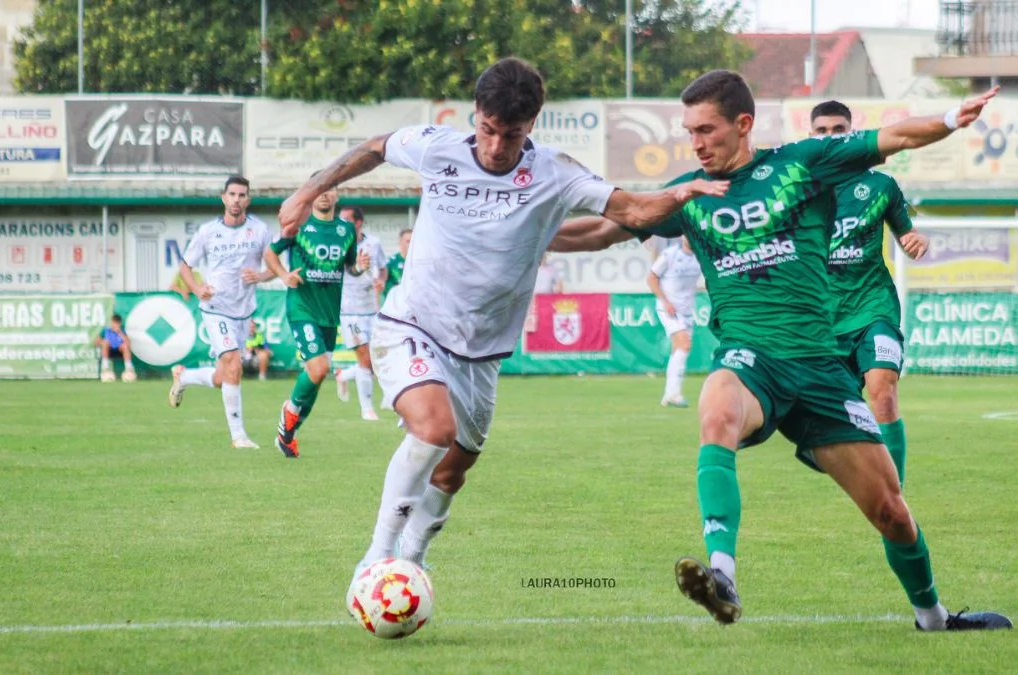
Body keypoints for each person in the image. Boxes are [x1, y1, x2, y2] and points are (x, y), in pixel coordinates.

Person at [551, 70, 1010, 631]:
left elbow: (896, 137)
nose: (695, 143)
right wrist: (511, 228)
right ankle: (722, 575)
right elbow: (601, 230)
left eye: (706, 129)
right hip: (751, 361)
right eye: (688, 131)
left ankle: (933, 617)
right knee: (716, 409)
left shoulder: (801, 164)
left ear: (743, 125)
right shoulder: (691, 194)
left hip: (819, 369)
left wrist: (947, 119)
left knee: (892, 513)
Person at [273, 57, 727, 610]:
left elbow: (629, 209)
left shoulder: (555, 172)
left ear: (531, 125)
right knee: (432, 428)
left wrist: (680, 195)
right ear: (476, 116)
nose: (495, 146)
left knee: (454, 471)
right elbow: (374, 147)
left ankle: (412, 561)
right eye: (487, 130)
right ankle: (376, 558)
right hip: (412, 323)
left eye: (509, 135)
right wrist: (305, 192)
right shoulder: (437, 146)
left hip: (482, 354)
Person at [809, 99, 929, 494]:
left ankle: (895, 494)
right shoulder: (797, 188)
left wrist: (912, 240)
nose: (830, 138)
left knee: (883, 390)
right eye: (822, 131)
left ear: (852, 133)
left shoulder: (881, 186)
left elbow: (905, 232)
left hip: (872, 307)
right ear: (811, 136)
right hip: (822, 320)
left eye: (838, 130)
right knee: (834, 419)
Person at [169, 176, 274, 449]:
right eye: (232, 194)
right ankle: (238, 436)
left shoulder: (261, 230)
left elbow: (275, 268)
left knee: (223, 376)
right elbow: (184, 266)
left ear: (248, 200)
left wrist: (260, 276)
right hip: (215, 308)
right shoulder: (207, 232)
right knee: (234, 363)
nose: (236, 200)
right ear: (223, 198)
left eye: (242, 195)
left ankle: (185, 377)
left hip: (244, 311)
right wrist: (196, 288)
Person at [265, 184, 370, 457]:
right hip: (302, 307)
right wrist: (283, 275)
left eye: (330, 188)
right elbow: (270, 252)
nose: (324, 194)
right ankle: (289, 412)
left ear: (336, 194)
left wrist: (360, 267)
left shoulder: (346, 229)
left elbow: (349, 268)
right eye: (319, 189)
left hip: (329, 313)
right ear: (311, 195)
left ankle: (288, 434)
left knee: (317, 375)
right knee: (319, 368)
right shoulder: (298, 225)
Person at [334, 206, 389, 421]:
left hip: (372, 310)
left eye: (346, 220)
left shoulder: (373, 243)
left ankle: (344, 374)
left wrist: (381, 281)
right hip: (349, 311)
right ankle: (367, 408)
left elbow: (382, 268)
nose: (342, 225)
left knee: (379, 357)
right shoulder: (338, 245)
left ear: (358, 223)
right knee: (365, 357)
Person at [646, 238, 701, 408]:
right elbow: (651, 278)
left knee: (679, 349)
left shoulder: (700, 256)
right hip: (669, 308)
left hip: (686, 310)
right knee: (684, 345)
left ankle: (669, 394)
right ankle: (674, 394)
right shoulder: (670, 254)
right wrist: (665, 301)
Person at [96, 313, 135, 382]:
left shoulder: (122, 331)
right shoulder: (106, 331)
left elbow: (129, 344)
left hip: (120, 351)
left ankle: (129, 369)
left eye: (118, 323)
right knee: (105, 342)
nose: (116, 324)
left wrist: (120, 333)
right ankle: (105, 368)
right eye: (115, 322)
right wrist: (104, 342)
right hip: (109, 351)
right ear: (112, 322)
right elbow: (96, 342)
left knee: (125, 346)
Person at [381, 227, 411, 303]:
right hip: (394, 307)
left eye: (413, 241)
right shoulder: (390, 262)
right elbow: (380, 284)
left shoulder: (420, 263)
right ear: (400, 242)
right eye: (408, 241)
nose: (412, 244)